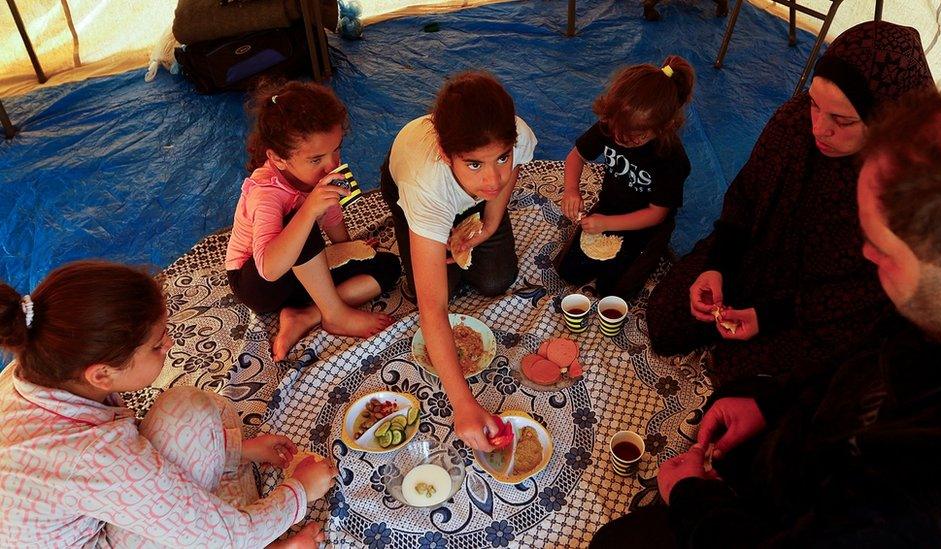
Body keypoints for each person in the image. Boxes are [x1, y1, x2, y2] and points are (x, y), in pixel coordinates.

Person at [591, 86, 941, 548]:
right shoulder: (931, 315)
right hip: (799, 453)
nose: (867, 256)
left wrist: (694, 500)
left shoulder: (931, 496)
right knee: (732, 392)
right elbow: (857, 363)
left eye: (886, 251)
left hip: (788, 513)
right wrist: (771, 403)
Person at [646, 21, 936, 388]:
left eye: (841, 121)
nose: (818, 128)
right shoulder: (794, 122)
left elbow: (861, 293)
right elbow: (746, 198)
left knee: (747, 381)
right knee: (667, 320)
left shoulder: (910, 184)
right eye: (815, 105)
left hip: (825, 307)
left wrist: (769, 316)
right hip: (761, 259)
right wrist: (717, 265)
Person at [0, 261, 340, 547]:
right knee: (213, 507)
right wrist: (298, 493)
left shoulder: (39, 363)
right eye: (156, 345)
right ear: (101, 374)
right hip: (96, 528)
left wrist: (239, 448)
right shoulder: (92, 456)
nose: (170, 343)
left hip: (88, 507)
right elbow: (227, 534)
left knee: (203, 409)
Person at [379, 71, 538, 451]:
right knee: (432, 291)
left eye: (501, 156)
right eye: (474, 164)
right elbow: (433, 307)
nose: (493, 180)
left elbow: (506, 177)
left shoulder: (516, 136)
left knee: (497, 279)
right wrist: (463, 404)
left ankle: (465, 222)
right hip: (412, 193)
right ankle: (425, 235)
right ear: (447, 155)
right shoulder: (425, 184)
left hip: (467, 205)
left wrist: (491, 221)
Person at [225, 80, 401, 361]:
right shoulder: (265, 193)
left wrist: (348, 250)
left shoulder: (321, 175)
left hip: (302, 275)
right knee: (298, 218)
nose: (332, 165)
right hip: (259, 284)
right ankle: (334, 313)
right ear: (278, 158)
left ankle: (305, 315)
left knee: (388, 266)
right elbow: (268, 269)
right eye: (317, 158)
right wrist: (308, 211)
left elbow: (331, 218)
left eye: (336, 150)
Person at [557, 58, 694, 299]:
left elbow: (657, 214)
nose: (621, 139)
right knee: (568, 272)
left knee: (612, 292)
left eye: (636, 136)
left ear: (662, 128)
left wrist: (608, 225)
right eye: (617, 131)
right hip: (610, 208)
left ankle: (654, 252)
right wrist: (571, 190)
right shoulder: (612, 125)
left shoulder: (671, 157)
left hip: (647, 226)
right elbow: (575, 156)